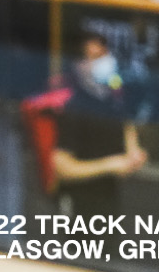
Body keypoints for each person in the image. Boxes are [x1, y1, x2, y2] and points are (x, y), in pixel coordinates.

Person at [47, 33, 147, 216]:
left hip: (109, 198)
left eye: (103, 55)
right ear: (79, 66)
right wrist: (111, 165)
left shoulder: (112, 97)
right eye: (93, 58)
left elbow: (125, 122)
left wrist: (133, 149)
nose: (102, 63)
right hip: (78, 203)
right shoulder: (72, 107)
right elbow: (61, 166)